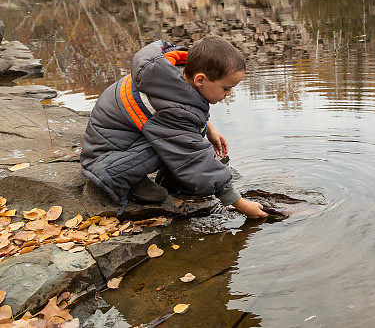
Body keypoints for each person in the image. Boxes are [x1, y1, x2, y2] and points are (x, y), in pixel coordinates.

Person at [81, 35, 268, 218]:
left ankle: (172, 177)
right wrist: (240, 203)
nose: (229, 93)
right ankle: (128, 180)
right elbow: (192, 156)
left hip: (115, 141)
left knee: (187, 132)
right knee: (182, 145)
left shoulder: (168, 74)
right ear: (200, 80)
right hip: (108, 163)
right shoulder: (173, 108)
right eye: (226, 88)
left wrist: (210, 130)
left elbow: (187, 110)